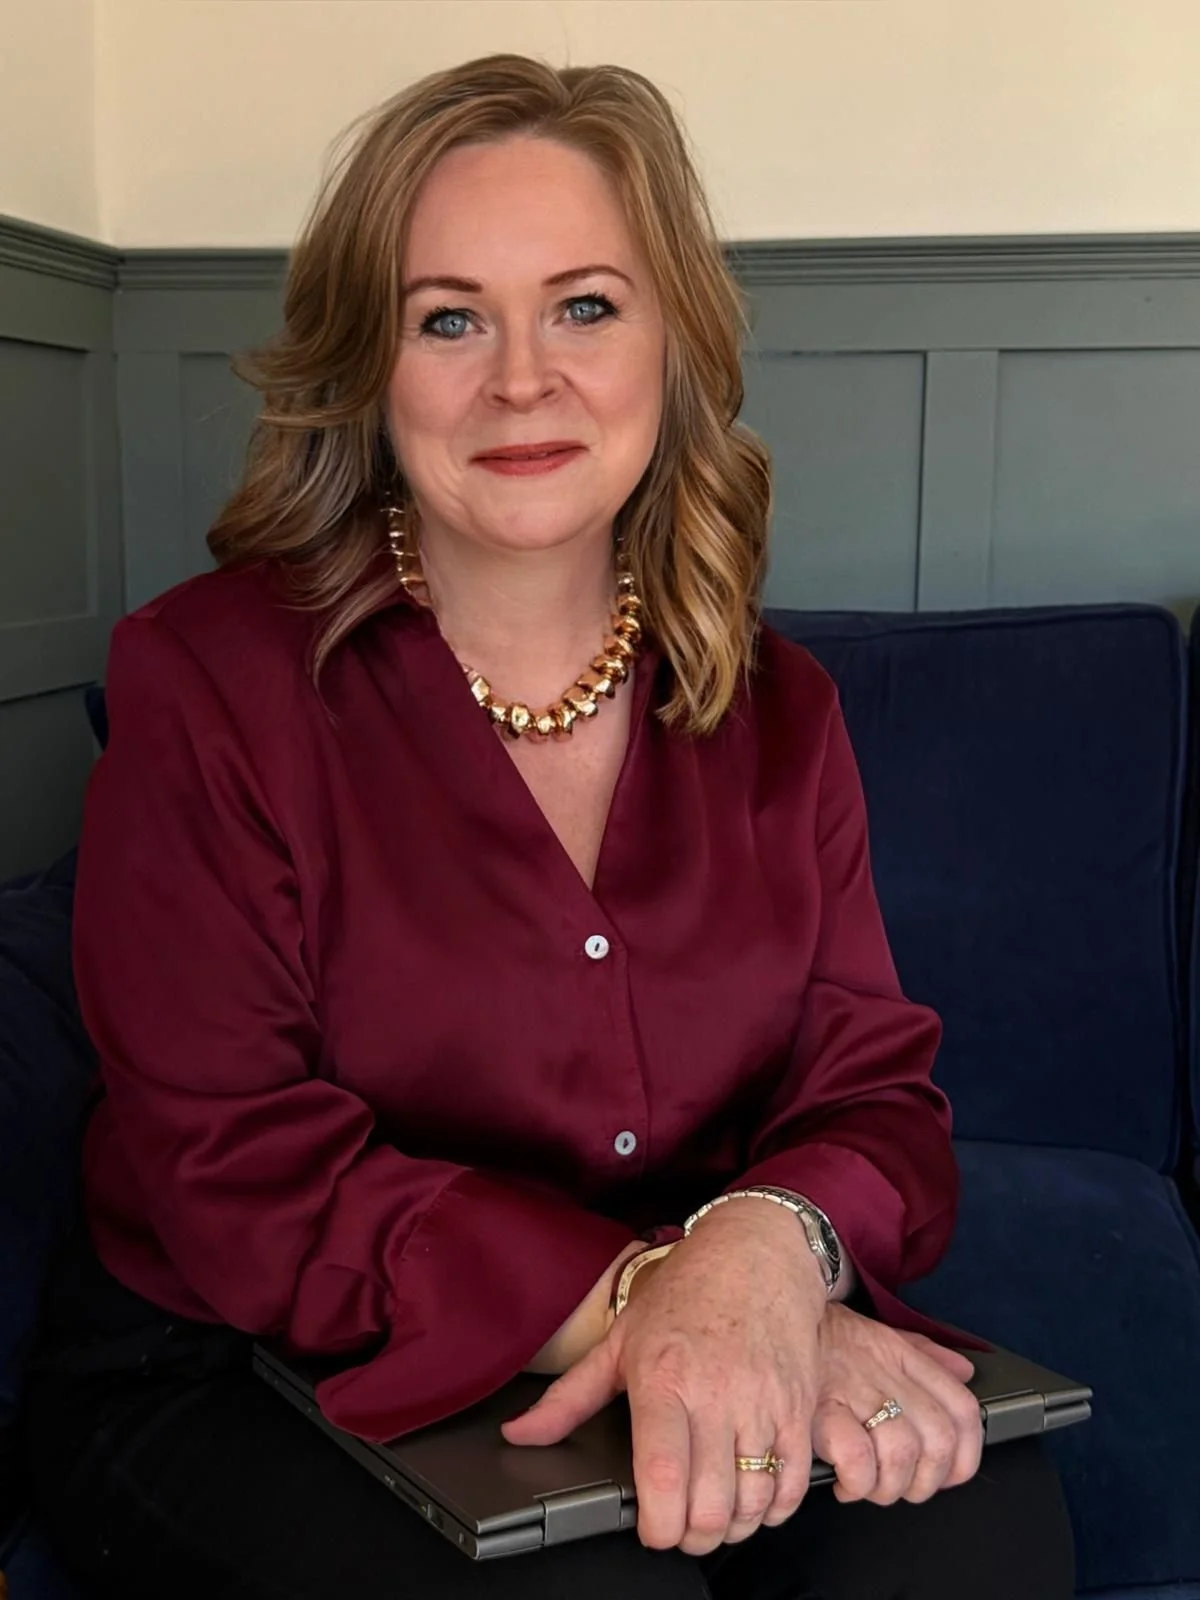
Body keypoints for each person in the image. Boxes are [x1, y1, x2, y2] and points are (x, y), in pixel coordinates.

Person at [24, 53, 1074, 1600]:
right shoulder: (210, 677)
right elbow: (230, 1159)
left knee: (973, 1542)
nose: (522, 377)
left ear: (674, 344)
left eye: (585, 304)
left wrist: (770, 1259)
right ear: (366, 368)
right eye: (449, 317)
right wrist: (657, 1297)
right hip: (233, 1352)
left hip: (694, 1311)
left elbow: (873, 1095)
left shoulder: (780, 712)